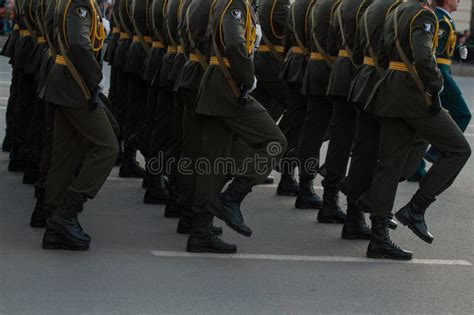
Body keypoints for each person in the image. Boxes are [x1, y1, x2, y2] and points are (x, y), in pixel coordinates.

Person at [365, 0, 471, 260]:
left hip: (391, 89)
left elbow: (379, 49)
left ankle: (378, 237)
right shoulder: (424, 15)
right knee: (458, 149)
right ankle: (416, 208)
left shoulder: (397, 11)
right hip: (413, 94)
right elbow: (424, 57)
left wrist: (393, 78)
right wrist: (435, 86)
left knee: (389, 164)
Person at [193, 0, 287, 248]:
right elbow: (234, 43)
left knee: (213, 161)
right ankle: (232, 198)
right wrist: (247, 77)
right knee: (275, 142)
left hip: (218, 83)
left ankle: (200, 230)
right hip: (229, 85)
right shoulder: (235, 3)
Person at [41, 0, 119, 250]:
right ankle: (67, 213)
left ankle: (53, 219)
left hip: (65, 81)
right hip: (75, 84)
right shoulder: (79, 3)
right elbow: (77, 43)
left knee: (66, 152)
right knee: (108, 147)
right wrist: (95, 78)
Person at [424, 0, 472, 162]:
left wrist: (457, 50)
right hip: (439, 73)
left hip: (443, 70)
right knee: (462, 113)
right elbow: (430, 51)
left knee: (425, 120)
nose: (459, 0)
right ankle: (437, 151)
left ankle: (415, 169)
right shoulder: (440, 19)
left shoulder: (445, 18)